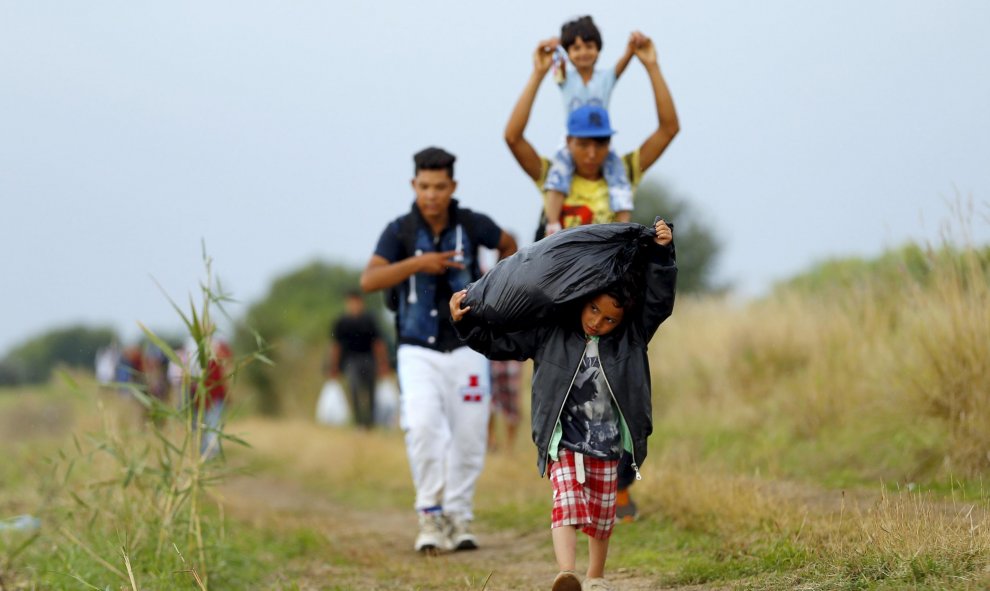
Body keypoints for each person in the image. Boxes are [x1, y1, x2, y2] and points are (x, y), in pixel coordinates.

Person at [450, 218, 676, 591]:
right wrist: (467, 326)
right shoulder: (551, 332)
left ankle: (596, 577)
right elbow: (500, 345)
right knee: (567, 504)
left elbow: (659, 301)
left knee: (602, 517)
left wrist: (664, 254)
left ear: (623, 320)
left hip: (607, 444)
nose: (599, 322)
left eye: (609, 319)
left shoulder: (632, 337)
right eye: (593, 311)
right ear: (580, 301)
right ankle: (566, 573)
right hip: (564, 439)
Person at [360, 146, 518, 553]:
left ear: (453, 186)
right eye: (425, 186)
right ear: (414, 184)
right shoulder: (399, 231)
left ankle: (459, 516)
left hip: (467, 346)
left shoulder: (470, 224)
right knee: (424, 427)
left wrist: (495, 286)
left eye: (440, 186)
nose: (431, 194)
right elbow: (370, 280)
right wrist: (418, 263)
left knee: (469, 433)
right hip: (416, 350)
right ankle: (430, 516)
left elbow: (509, 243)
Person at [504, 32, 679, 241]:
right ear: (569, 141)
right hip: (562, 272)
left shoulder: (625, 171)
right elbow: (513, 138)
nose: (592, 153)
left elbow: (668, 129)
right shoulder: (550, 175)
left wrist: (652, 66)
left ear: (610, 142)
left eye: (601, 143)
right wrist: (538, 74)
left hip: (611, 272)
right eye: (583, 144)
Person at [542, 16, 646, 237]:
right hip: (573, 139)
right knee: (557, 176)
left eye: (589, 46)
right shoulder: (565, 78)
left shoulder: (605, 78)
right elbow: (555, 63)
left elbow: (620, 67)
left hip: (600, 138)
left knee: (619, 176)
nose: (583, 53)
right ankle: (551, 224)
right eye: (576, 48)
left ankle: (623, 229)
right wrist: (555, 48)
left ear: (598, 50)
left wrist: (630, 50)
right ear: (568, 53)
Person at [327, 290, 391, 429]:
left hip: (369, 359)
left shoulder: (369, 320)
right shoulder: (341, 322)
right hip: (351, 361)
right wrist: (334, 366)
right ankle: (359, 422)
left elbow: (378, 343)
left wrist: (383, 363)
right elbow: (336, 346)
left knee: (371, 391)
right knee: (354, 389)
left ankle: (371, 422)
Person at [488, 358, 522, 452]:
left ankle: (509, 446)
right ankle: (491, 440)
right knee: (488, 401)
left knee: (512, 404)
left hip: (512, 355)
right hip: (490, 355)